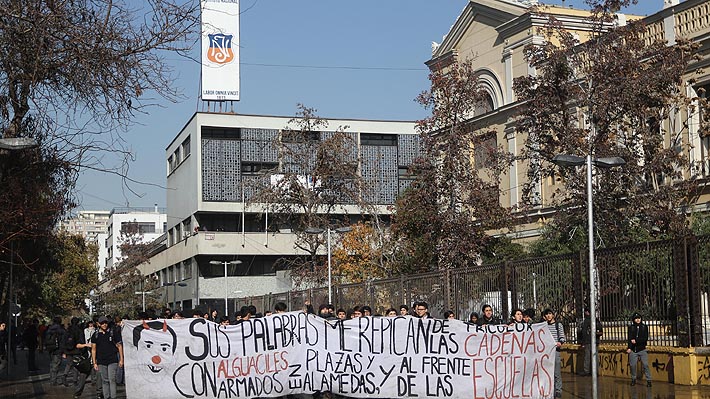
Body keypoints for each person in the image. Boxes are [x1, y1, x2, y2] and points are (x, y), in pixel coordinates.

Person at [92, 316, 123, 399]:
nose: (104, 324)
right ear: (98, 324)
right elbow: (93, 349)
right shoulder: (95, 335)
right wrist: (94, 362)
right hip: (101, 360)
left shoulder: (113, 332)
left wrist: (121, 359)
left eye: (106, 323)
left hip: (112, 359)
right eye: (102, 323)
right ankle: (106, 396)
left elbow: (119, 346)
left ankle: (113, 397)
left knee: (112, 379)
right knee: (104, 380)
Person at [543, 308, 565, 398]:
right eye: (546, 314)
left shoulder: (558, 325)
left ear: (553, 315)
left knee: (556, 373)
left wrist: (560, 343)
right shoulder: (544, 326)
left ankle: (558, 390)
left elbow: (562, 337)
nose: (548, 316)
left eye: (550, 314)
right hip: (546, 353)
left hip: (555, 351)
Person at [627, 312, 651, 387]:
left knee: (645, 364)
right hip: (634, 349)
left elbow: (645, 338)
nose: (637, 320)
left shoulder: (644, 327)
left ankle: (649, 380)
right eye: (636, 318)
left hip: (642, 349)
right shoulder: (631, 327)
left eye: (639, 318)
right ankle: (633, 379)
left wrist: (636, 341)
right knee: (632, 365)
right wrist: (629, 348)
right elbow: (629, 338)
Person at [578, 308, 603, 376]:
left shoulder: (587, 320)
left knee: (587, 357)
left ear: (587, 312)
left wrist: (583, 342)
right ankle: (596, 371)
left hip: (588, 341)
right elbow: (600, 330)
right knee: (595, 356)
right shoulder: (596, 320)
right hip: (595, 341)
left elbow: (584, 332)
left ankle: (586, 371)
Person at [46, 316, 67, 386]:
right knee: (56, 365)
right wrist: (64, 351)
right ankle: (53, 381)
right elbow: (63, 341)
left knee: (52, 364)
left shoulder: (49, 329)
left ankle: (52, 379)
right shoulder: (61, 330)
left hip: (50, 348)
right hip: (58, 349)